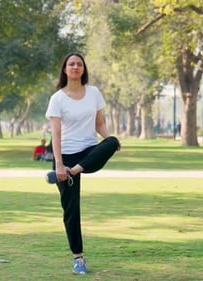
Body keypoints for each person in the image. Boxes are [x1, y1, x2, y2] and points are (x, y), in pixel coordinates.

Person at [44, 53, 120, 275]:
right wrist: (58, 165)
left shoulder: (94, 93)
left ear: (83, 69)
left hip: (87, 154)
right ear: (65, 69)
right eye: (71, 64)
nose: (75, 67)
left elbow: (100, 123)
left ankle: (74, 172)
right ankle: (78, 258)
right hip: (65, 156)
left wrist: (109, 141)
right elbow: (55, 136)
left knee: (113, 141)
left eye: (79, 64)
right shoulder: (57, 98)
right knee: (71, 210)